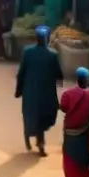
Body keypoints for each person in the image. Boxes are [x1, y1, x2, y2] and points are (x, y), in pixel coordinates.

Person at [15, 25, 63, 156]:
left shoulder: (27, 52)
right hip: (46, 93)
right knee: (43, 117)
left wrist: (18, 90)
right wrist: (59, 84)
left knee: (30, 114)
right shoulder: (53, 55)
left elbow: (21, 73)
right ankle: (40, 144)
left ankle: (28, 135)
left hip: (30, 91)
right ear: (47, 38)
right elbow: (59, 74)